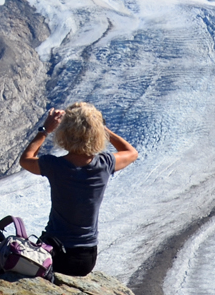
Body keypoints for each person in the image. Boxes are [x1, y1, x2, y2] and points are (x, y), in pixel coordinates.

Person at [18, 102, 138, 276]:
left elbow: (26, 159)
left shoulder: (55, 165)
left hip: (55, 255)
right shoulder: (104, 164)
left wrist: (45, 130)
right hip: (86, 259)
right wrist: (99, 127)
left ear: (65, 133)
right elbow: (131, 152)